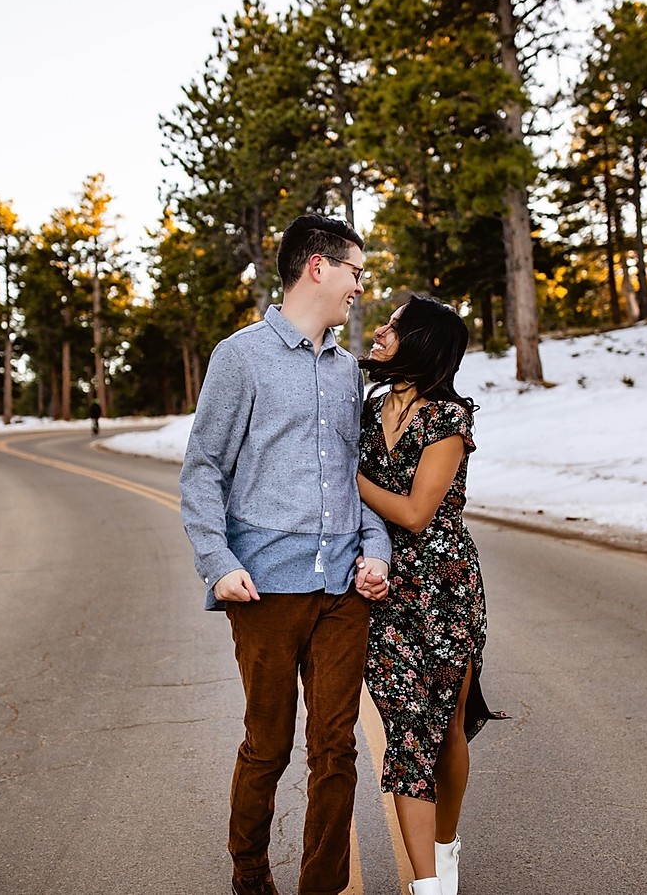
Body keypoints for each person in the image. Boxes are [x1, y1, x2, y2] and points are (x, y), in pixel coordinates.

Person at [180, 214, 393, 895]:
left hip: (343, 593)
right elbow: (204, 468)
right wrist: (218, 562)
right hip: (264, 589)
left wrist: (376, 551)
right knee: (268, 745)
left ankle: (321, 888)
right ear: (318, 267)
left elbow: (358, 478)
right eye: (356, 270)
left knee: (336, 751)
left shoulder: (345, 372)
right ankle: (250, 874)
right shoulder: (239, 356)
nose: (362, 284)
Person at [356, 295, 506, 895]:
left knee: (444, 731)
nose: (381, 331)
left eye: (395, 326)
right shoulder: (368, 411)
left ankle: (447, 849)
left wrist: (349, 479)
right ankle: (427, 888)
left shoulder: (448, 418)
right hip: (385, 590)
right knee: (408, 733)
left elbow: (419, 513)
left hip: (445, 589)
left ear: (422, 343)